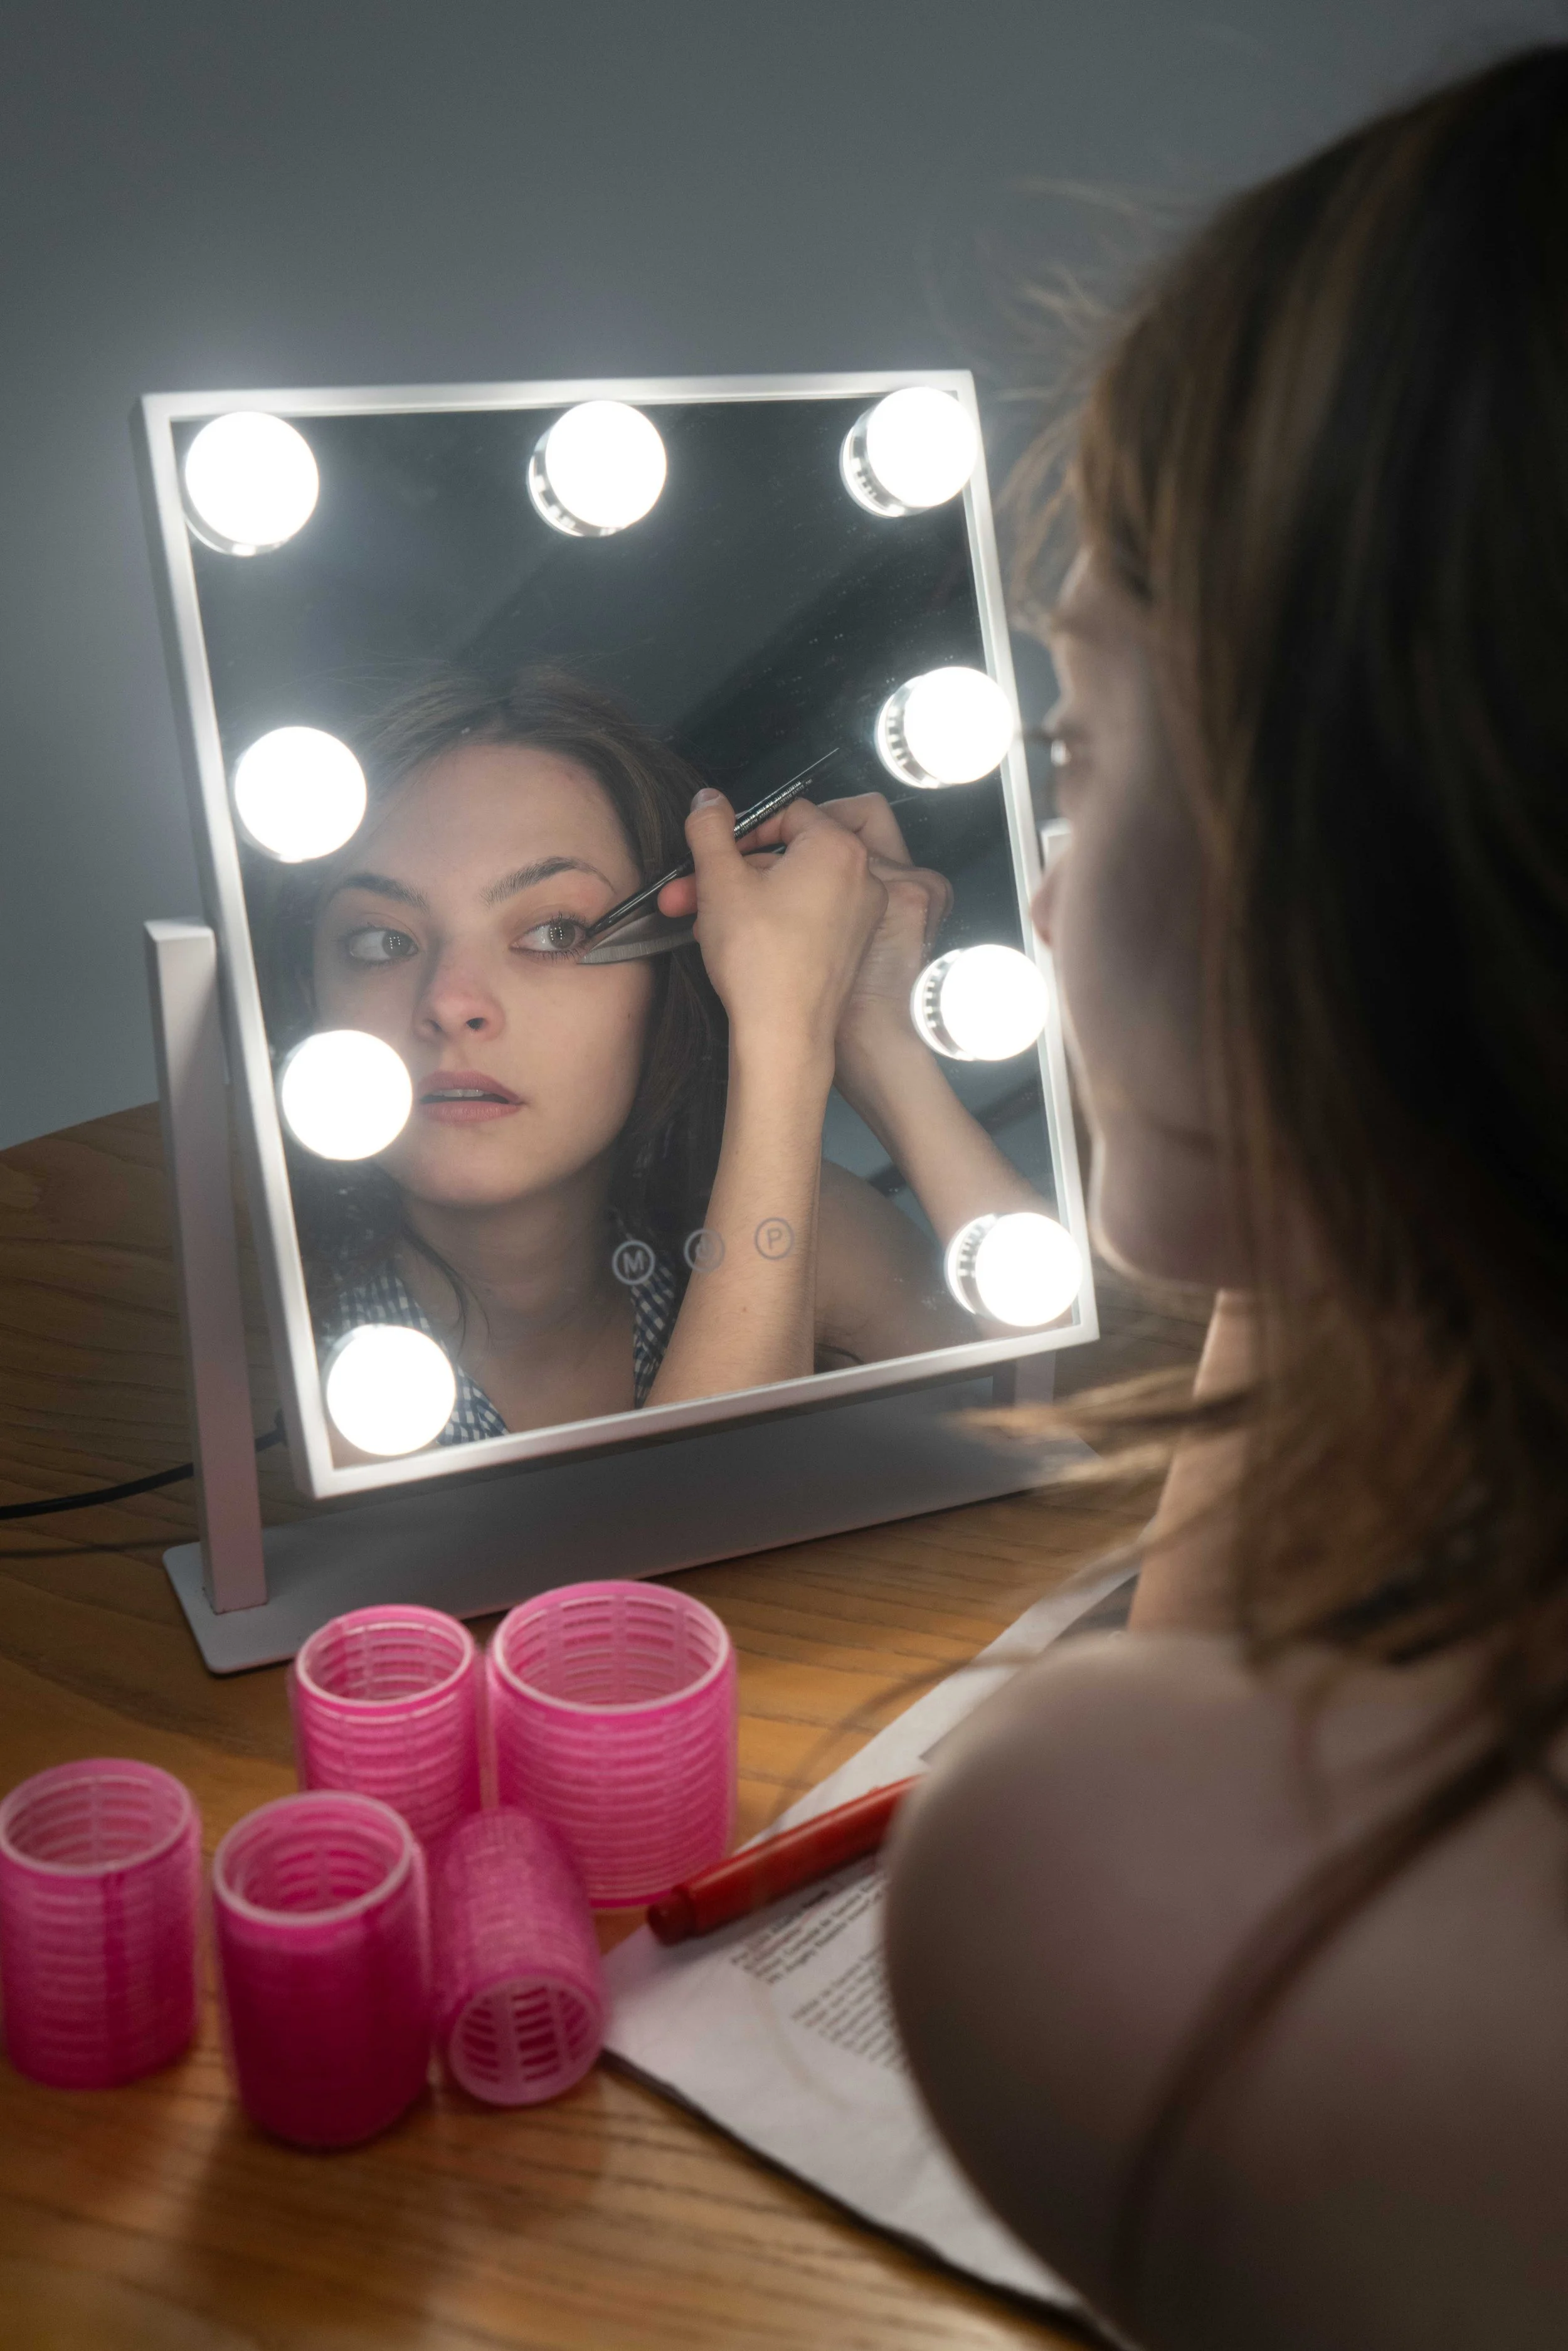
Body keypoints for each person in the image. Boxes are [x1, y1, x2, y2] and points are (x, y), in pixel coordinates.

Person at [885, 46, 1568, 2351]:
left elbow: (1197, 1716)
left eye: (1079, 740)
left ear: (1384, 827)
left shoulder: (1101, 1870)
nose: (1046, 875)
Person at [256, 667, 1043, 1445]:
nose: (450, 1000)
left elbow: (1100, 1444)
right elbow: (680, 1529)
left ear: (673, 971)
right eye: (382, 941)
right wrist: (784, 1038)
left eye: (555, 932)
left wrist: (875, 1033)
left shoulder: (794, 1228)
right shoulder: (281, 1347)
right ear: (309, 990)